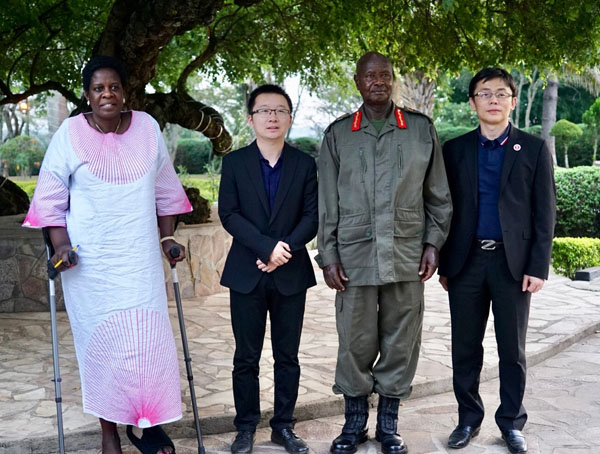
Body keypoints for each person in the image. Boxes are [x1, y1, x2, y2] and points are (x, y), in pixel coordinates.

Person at [23, 55, 191, 454]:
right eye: (98, 88)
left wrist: (167, 238)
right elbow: (49, 198)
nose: (107, 94)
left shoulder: (147, 128)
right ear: (87, 95)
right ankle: (110, 431)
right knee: (103, 348)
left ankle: (147, 423)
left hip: (138, 260)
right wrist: (60, 245)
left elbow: (166, 189)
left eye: (114, 86)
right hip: (91, 266)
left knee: (147, 343)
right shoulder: (69, 133)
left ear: (125, 92)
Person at [316, 51, 453, 454]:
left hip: (406, 254)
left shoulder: (420, 130)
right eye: (370, 76)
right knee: (354, 341)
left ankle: (389, 425)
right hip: (354, 257)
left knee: (401, 340)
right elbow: (327, 203)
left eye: (385, 75)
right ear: (357, 82)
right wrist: (329, 255)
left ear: (393, 80)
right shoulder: (339, 134)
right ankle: (354, 423)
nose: (378, 81)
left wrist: (433, 243)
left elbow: (438, 196)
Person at [438, 68, 556, 454]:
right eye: (484, 93)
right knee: (465, 348)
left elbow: (545, 211)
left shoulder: (534, 148)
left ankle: (511, 422)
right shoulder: (455, 150)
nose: (493, 100)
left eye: (501, 93)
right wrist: (444, 263)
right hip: (466, 262)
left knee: (512, 350)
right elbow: (443, 209)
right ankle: (468, 420)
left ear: (513, 101)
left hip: (513, 264)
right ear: (472, 102)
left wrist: (537, 266)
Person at [218, 84, 318, 454]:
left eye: (280, 110)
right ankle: (245, 428)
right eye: (264, 110)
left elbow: (313, 216)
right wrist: (266, 248)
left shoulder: (305, 164)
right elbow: (229, 214)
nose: (272, 117)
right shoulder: (235, 163)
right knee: (246, 357)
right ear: (251, 119)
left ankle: (283, 426)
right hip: (247, 273)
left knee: (287, 356)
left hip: (290, 273)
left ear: (289, 118)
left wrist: (282, 250)